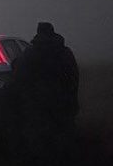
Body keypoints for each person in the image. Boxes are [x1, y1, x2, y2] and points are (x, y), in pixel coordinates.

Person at [10, 22, 80, 150]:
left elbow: (19, 77)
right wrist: (72, 99)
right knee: (64, 137)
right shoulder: (65, 52)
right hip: (62, 101)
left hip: (37, 104)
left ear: (38, 32)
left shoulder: (29, 54)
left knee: (38, 139)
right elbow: (73, 77)